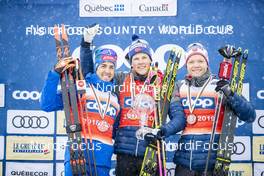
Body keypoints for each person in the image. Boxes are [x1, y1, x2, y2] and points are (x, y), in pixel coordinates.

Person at [155, 43, 256, 176]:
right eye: (191, 61)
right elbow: (179, 120)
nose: (196, 65)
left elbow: (249, 116)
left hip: (215, 162)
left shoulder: (220, 84)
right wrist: (163, 131)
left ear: (207, 63)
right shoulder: (179, 87)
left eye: (200, 61)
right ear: (186, 65)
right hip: (186, 162)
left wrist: (230, 94)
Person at [80, 32, 169, 176]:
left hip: (152, 149)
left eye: (144, 57)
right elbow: (92, 74)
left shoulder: (161, 82)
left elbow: (177, 115)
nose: (141, 62)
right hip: (125, 151)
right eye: (136, 58)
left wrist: (164, 131)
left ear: (150, 60)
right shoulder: (120, 79)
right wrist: (86, 45)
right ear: (131, 62)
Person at [40, 24, 120, 176]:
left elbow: (114, 131)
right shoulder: (80, 88)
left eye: (111, 67)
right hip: (77, 157)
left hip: (103, 162)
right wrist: (55, 74)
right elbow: (47, 104)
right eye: (103, 65)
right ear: (96, 67)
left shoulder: (115, 99)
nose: (107, 71)